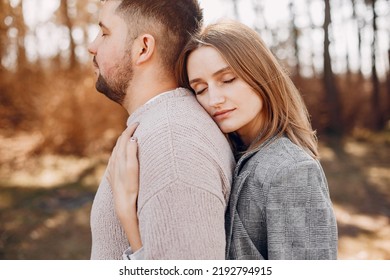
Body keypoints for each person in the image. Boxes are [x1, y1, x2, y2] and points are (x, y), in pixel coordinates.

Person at [113, 20, 338, 260]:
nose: (214, 99)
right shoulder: (229, 155)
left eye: (228, 80)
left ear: (260, 74)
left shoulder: (291, 170)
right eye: (200, 89)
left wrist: (128, 213)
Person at [88, 0, 235, 260]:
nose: (92, 46)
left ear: (143, 48)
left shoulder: (173, 143)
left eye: (105, 33)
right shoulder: (162, 128)